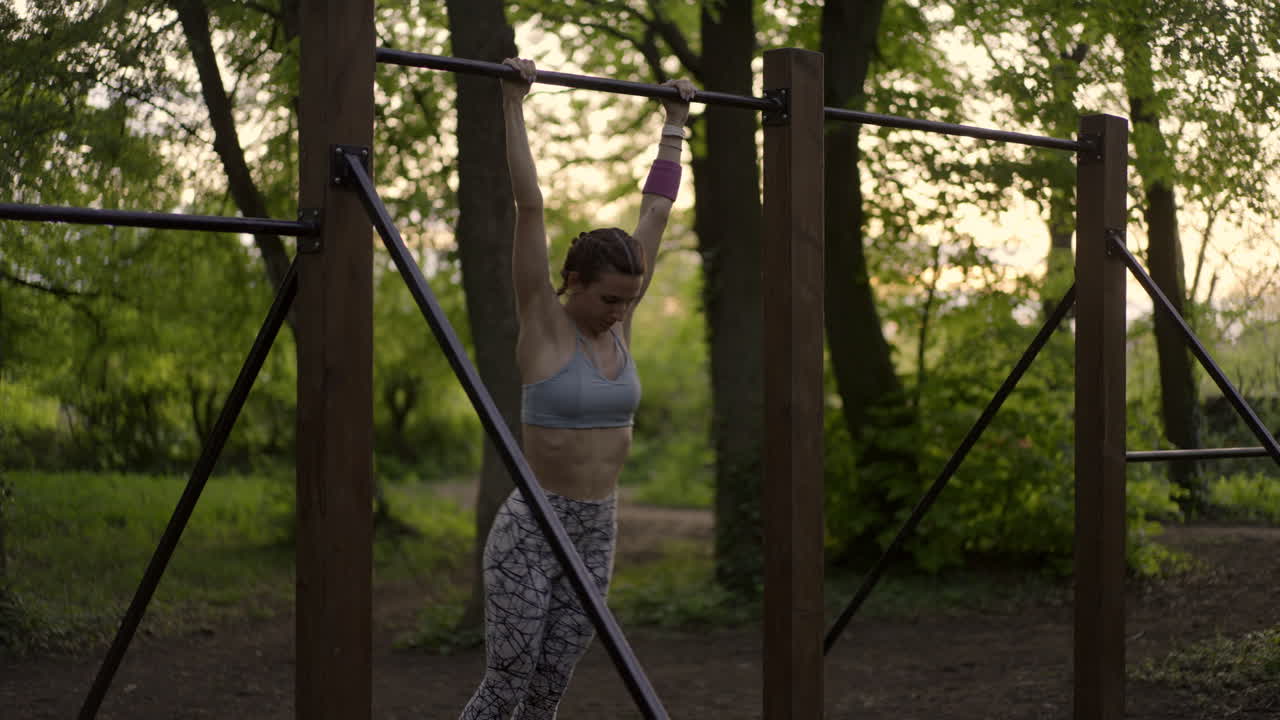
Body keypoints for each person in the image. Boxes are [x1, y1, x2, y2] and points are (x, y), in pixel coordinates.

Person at [458, 58, 695, 720]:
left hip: (598, 528)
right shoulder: (544, 326)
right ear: (574, 283)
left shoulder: (621, 326)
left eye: (631, 298)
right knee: (505, 688)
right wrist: (513, 102)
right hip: (534, 527)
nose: (622, 309)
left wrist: (674, 124)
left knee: (547, 693)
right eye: (611, 298)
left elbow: (655, 210)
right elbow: (528, 205)